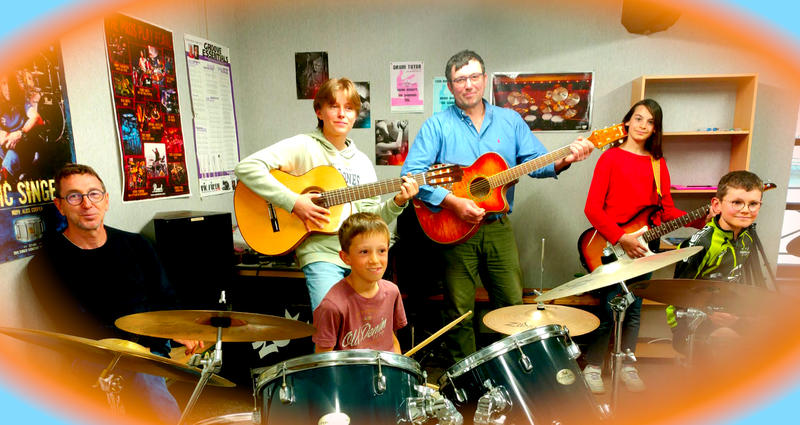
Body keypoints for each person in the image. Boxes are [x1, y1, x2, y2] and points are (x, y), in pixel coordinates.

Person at [400, 50, 594, 362]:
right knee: (458, 310)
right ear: (450, 86)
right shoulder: (437, 126)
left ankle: (516, 368)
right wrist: (453, 202)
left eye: (473, 77)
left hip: (498, 226)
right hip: (454, 229)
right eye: (460, 79)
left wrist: (565, 159)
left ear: (484, 79)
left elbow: (536, 162)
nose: (468, 85)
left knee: (511, 304)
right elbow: (411, 175)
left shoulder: (510, 121)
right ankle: (465, 374)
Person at [28, 163, 202, 425]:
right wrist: (137, 344)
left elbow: (167, 300)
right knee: (143, 382)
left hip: (149, 348)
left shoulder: (137, 245)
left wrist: (178, 329)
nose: (87, 204)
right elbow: (75, 326)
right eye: (74, 196)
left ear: (106, 200)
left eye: (94, 194)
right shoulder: (45, 264)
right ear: (60, 205)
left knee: (145, 376)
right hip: (92, 355)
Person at [235, 77, 418, 311]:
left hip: (358, 256)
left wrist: (398, 202)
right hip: (320, 254)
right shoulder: (304, 146)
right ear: (319, 111)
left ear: (356, 115)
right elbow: (246, 168)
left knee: (362, 323)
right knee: (330, 316)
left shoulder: (362, 163)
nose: (342, 114)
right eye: (334, 106)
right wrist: (293, 202)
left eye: (349, 108)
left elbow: (371, 218)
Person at [582, 98, 706, 394]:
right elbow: (592, 209)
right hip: (613, 245)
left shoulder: (657, 163)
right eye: (638, 118)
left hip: (646, 245)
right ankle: (593, 366)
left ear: (655, 129)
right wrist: (620, 237)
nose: (643, 126)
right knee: (610, 308)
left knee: (634, 307)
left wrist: (704, 218)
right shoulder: (610, 158)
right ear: (627, 121)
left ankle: (627, 364)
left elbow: (667, 211)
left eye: (650, 122)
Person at [668, 170, 765, 360]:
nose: (746, 210)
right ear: (716, 205)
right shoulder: (699, 244)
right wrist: (708, 314)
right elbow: (677, 297)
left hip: (732, 314)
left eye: (753, 204)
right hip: (694, 321)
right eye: (737, 202)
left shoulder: (747, 237)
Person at [312, 212, 407, 353]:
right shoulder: (331, 306)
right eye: (364, 252)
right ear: (346, 257)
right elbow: (323, 359)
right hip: (349, 368)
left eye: (381, 250)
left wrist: (398, 363)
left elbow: (391, 339)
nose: (374, 260)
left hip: (384, 367)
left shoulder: (392, 292)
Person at [0, 72, 43, 182]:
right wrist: (7, 137)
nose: (7, 88)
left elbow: (36, 117)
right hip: (7, 145)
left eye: (9, 83)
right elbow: (2, 137)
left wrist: (20, 133)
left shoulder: (21, 100)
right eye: (3, 84)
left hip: (24, 143)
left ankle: (6, 176)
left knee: (11, 155)